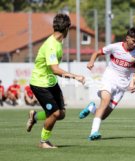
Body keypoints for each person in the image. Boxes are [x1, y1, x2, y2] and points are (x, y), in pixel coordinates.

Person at [25, 13, 85, 148]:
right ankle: (43, 142)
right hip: (40, 84)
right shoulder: (52, 45)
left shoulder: (57, 42)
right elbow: (55, 69)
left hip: (50, 82)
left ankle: (34, 117)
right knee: (55, 113)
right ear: (67, 28)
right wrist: (75, 76)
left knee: (61, 114)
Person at [79, 27, 135, 141]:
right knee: (104, 102)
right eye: (134, 41)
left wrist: (133, 83)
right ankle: (93, 132)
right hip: (109, 78)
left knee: (103, 115)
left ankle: (92, 107)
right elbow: (97, 52)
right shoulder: (115, 47)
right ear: (127, 38)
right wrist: (91, 61)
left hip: (122, 85)